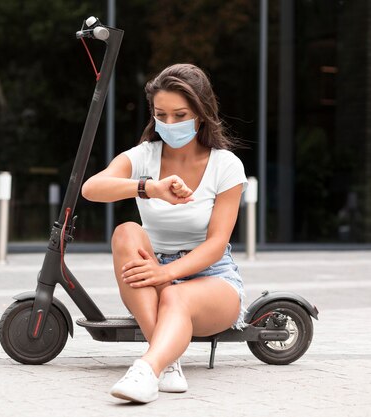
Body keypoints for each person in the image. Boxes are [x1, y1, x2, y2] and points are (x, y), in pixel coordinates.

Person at [81, 63, 248, 403]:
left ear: (200, 114)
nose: (169, 124)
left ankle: (148, 367)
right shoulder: (145, 156)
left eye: (180, 114)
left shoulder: (225, 165)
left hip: (212, 278)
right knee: (126, 231)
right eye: (161, 114)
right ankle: (168, 359)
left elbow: (217, 245)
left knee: (175, 295)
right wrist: (150, 189)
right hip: (152, 277)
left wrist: (166, 273)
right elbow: (91, 188)